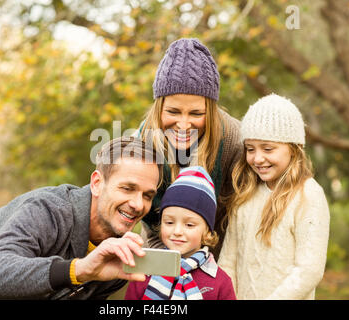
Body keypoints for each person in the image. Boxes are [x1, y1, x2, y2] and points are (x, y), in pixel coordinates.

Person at [0, 136, 163, 299]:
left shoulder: (117, 260)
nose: (137, 204)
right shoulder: (50, 210)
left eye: (147, 195)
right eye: (127, 188)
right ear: (97, 184)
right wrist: (80, 269)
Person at [133, 38, 242, 259]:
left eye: (196, 113)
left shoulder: (234, 140)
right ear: (159, 107)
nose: (183, 125)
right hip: (161, 252)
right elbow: (151, 224)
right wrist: (170, 270)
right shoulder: (143, 143)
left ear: (210, 111)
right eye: (173, 112)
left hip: (223, 257)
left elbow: (240, 219)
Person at [217, 93, 330, 300]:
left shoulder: (308, 195)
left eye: (268, 149)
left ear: (294, 150)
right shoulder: (246, 195)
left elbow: (309, 271)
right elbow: (228, 262)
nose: (258, 158)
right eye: (250, 149)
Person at [125, 166, 236, 300]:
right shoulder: (145, 272)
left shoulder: (220, 283)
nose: (177, 232)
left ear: (207, 231)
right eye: (169, 223)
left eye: (189, 225)